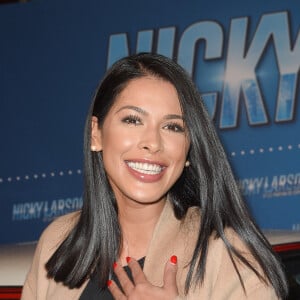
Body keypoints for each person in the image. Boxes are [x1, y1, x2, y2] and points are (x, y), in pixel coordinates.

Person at [21, 53, 288, 299]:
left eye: (172, 127)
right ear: (96, 133)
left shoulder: (227, 254)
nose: (153, 142)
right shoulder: (58, 241)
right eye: (133, 120)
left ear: (188, 149)